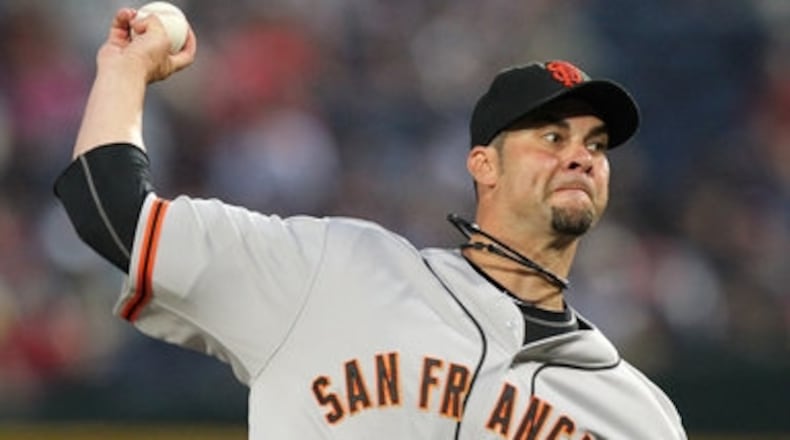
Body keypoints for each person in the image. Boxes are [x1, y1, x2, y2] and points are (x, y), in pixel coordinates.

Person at [55, 7, 687, 440]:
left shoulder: (638, 417)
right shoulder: (334, 272)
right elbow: (110, 210)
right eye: (552, 135)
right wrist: (125, 69)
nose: (581, 155)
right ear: (483, 165)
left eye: (597, 144)